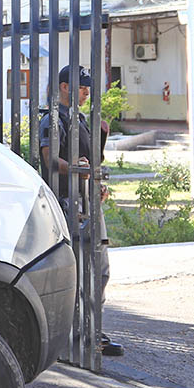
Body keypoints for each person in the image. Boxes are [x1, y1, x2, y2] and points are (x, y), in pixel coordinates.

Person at [38, 64, 124, 357]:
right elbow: (50, 160)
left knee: (100, 269)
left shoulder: (82, 119)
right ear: (64, 87)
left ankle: (92, 329)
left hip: (88, 200)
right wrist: (78, 169)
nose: (86, 93)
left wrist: (97, 183)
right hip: (67, 203)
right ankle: (73, 334)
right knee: (76, 270)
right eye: (82, 88)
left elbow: (90, 161)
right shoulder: (52, 119)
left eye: (88, 88)